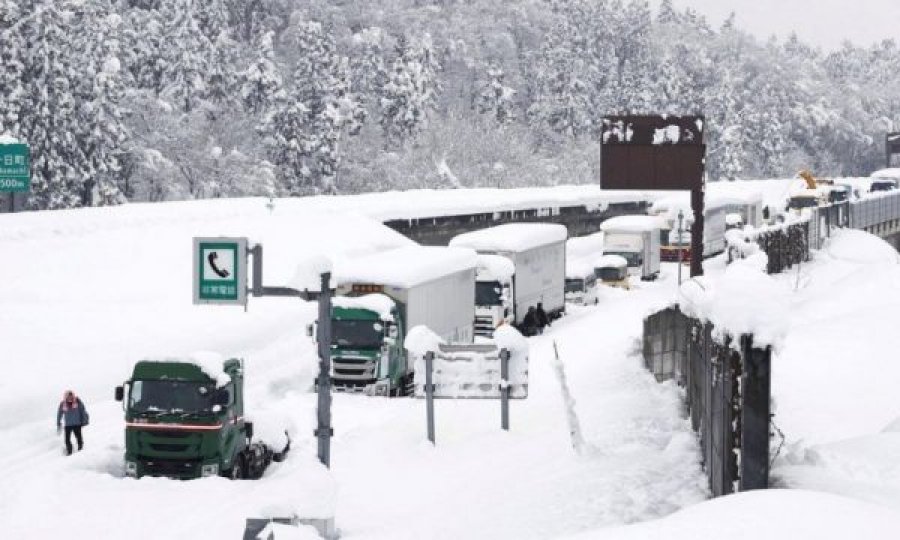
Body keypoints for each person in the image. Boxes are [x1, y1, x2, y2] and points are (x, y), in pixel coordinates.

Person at [57, 390, 89, 456]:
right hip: (68, 425)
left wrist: (85, 420)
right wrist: (58, 422)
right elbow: (59, 413)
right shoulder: (63, 403)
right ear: (66, 397)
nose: (70, 397)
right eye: (68, 396)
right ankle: (69, 452)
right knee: (67, 440)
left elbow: (83, 411)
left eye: (71, 396)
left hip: (77, 424)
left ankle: (81, 449)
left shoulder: (77, 402)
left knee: (79, 438)